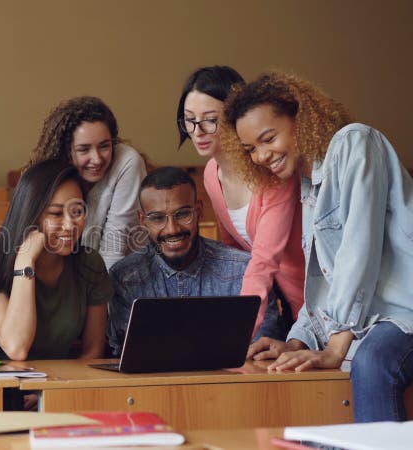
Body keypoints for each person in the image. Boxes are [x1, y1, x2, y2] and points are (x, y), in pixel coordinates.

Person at [223, 72, 413, 422]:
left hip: (404, 316)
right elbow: (325, 284)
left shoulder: (355, 143)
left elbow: (360, 251)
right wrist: (297, 342)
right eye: (251, 149)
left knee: (372, 359)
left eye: (268, 138)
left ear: (301, 119)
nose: (262, 156)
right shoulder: (307, 184)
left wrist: (335, 348)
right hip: (366, 324)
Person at [177, 66, 302, 339]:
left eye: (210, 120)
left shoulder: (273, 174)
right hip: (283, 310)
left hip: (316, 301)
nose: (197, 131)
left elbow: (263, 262)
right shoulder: (211, 174)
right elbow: (234, 256)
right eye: (189, 120)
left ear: (235, 118)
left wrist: (236, 335)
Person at [107, 167, 283, 355]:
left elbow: (263, 352)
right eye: (157, 218)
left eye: (182, 214)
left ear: (199, 211)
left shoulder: (244, 270)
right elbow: (126, 356)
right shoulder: (124, 277)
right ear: (142, 220)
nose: (172, 229)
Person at [0, 160, 112, 362]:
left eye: (77, 212)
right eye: (56, 213)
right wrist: (25, 262)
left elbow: (93, 352)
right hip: (7, 389)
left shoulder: (89, 263)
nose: (71, 225)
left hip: (61, 387)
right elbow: (17, 348)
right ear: (31, 214)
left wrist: (59, 390)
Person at [28, 96, 147, 269]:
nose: (97, 159)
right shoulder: (52, 175)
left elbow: (114, 249)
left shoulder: (127, 162)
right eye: (84, 149)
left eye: (104, 146)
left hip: (119, 279)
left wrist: (92, 294)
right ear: (66, 151)